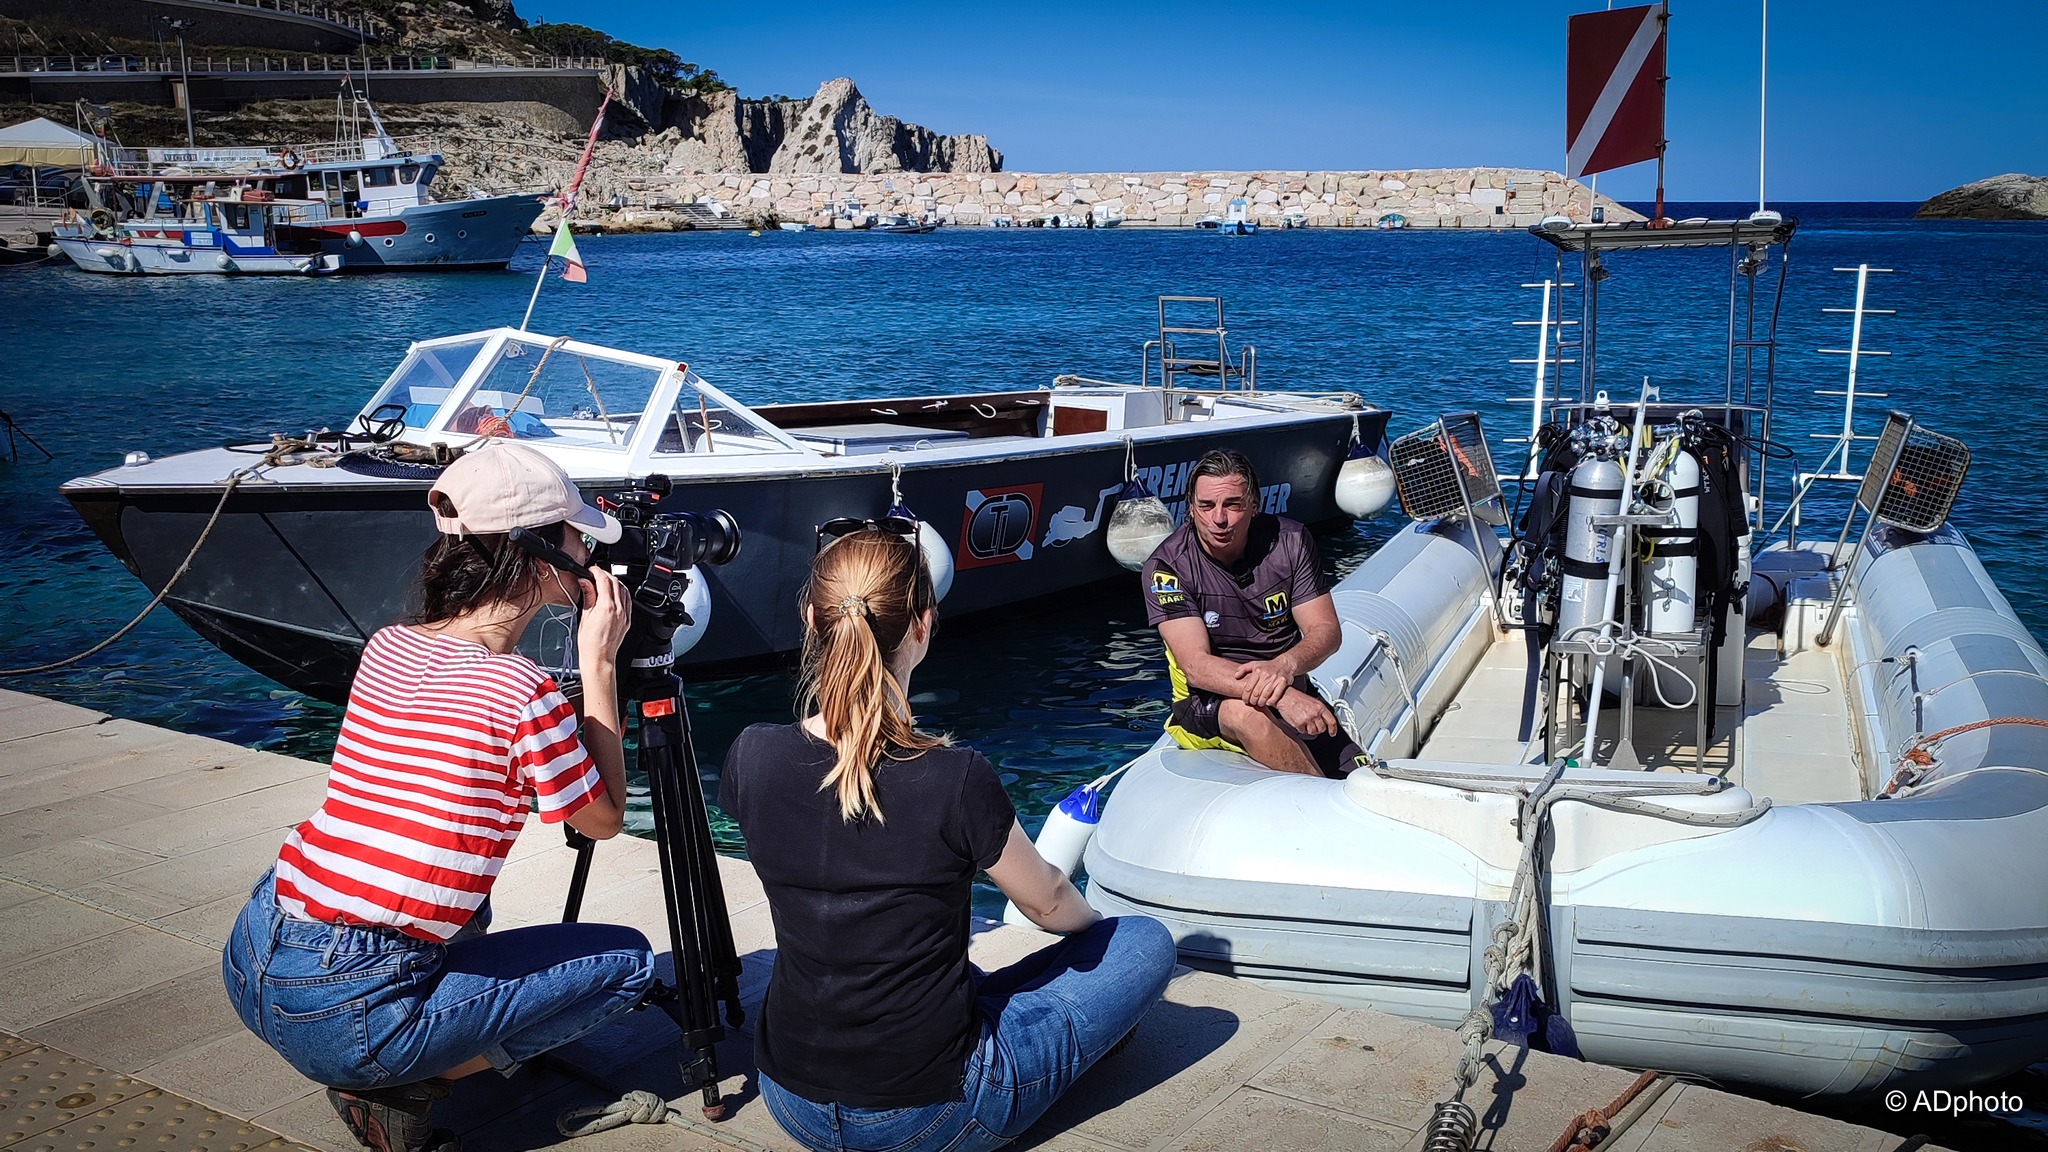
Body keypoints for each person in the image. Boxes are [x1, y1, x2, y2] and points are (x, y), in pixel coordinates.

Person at [221, 442, 656, 1152]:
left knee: (433, 883)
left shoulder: (389, 644)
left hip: (253, 956)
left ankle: (400, 1038)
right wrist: (599, 660)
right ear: (546, 555)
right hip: (345, 1013)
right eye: (577, 533)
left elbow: (466, 729)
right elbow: (603, 820)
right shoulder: (524, 692)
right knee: (628, 966)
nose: (588, 547)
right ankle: (397, 1082)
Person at [719, 519, 1177, 1152]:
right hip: (928, 1111)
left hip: (790, 1093)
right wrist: (1095, 937)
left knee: (953, 974)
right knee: (1140, 941)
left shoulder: (751, 755)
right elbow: (1046, 904)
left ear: (808, 617)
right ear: (922, 626)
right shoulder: (952, 777)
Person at [1141, 449, 1358, 777]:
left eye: (1232, 504)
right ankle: (1320, 801)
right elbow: (1197, 667)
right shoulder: (1168, 567)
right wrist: (1281, 694)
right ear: (1190, 508)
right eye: (1206, 506)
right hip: (1208, 702)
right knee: (1248, 716)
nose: (1219, 518)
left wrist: (1285, 667)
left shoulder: (1291, 542)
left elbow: (1326, 630)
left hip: (1289, 683)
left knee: (1360, 781)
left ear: (1254, 505)